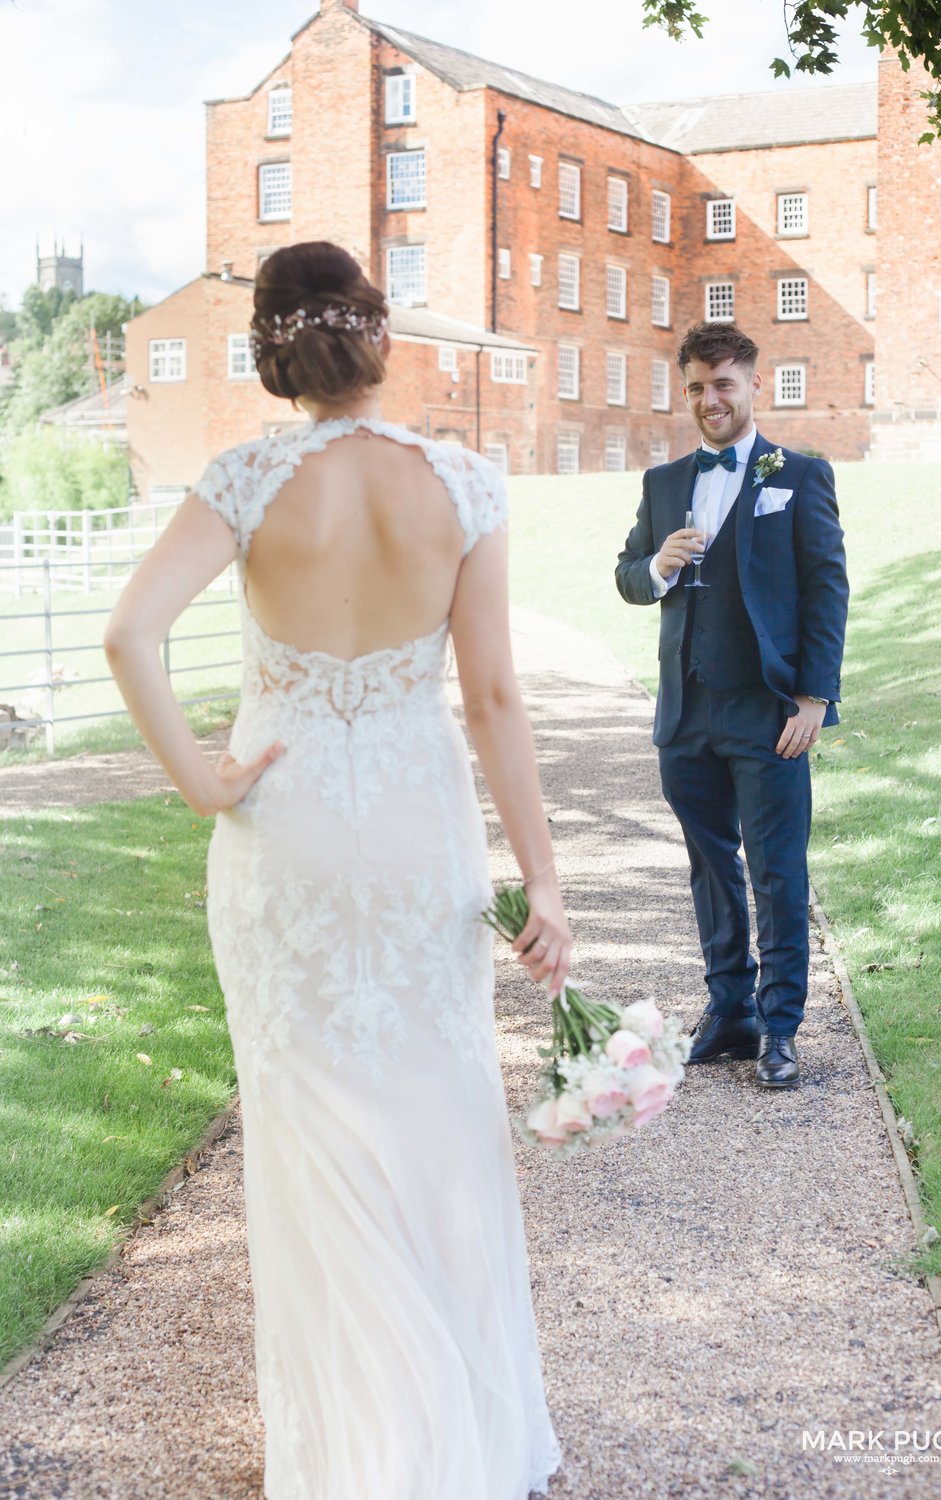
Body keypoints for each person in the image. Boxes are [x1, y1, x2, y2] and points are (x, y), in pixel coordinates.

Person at [104, 241, 567, 1499]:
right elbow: (493, 695)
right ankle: (450, 1441)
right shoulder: (465, 481)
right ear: (379, 337)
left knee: (308, 1125)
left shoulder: (246, 478)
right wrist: (546, 879)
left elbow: (128, 632)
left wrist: (204, 779)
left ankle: (355, 1453)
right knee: (438, 1104)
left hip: (285, 829)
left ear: (271, 351)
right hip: (417, 830)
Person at [614, 322, 848, 1090]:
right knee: (710, 867)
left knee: (778, 873)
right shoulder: (661, 482)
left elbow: (826, 589)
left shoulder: (799, 474)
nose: (708, 400)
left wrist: (815, 696)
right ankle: (731, 1010)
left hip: (769, 713)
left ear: (752, 383)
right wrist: (657, 564)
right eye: (695, 388)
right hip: (685, 714)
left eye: (722, 385)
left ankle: (780, 1028)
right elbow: (625, 573)